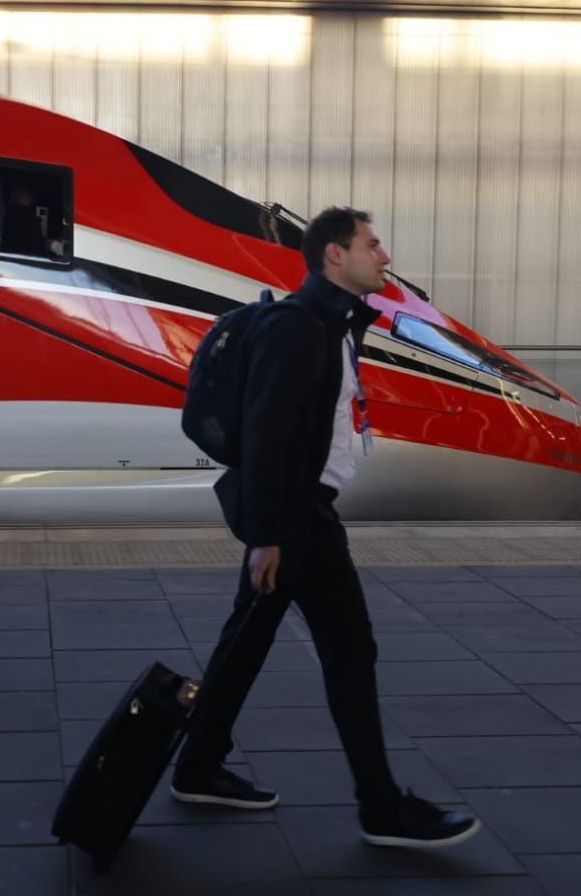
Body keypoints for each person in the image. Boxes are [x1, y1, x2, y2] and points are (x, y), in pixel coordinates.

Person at [170, 206, 480, 849]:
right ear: (335, 255)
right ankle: (381, 806)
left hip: (296, 515)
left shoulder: (331, 325)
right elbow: (269, 436)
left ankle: (197, 767)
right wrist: (267, 533)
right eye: (373, 245)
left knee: (247, 641)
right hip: (299, 517)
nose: (385, 257)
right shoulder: (299, 329)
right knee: (349, 650)